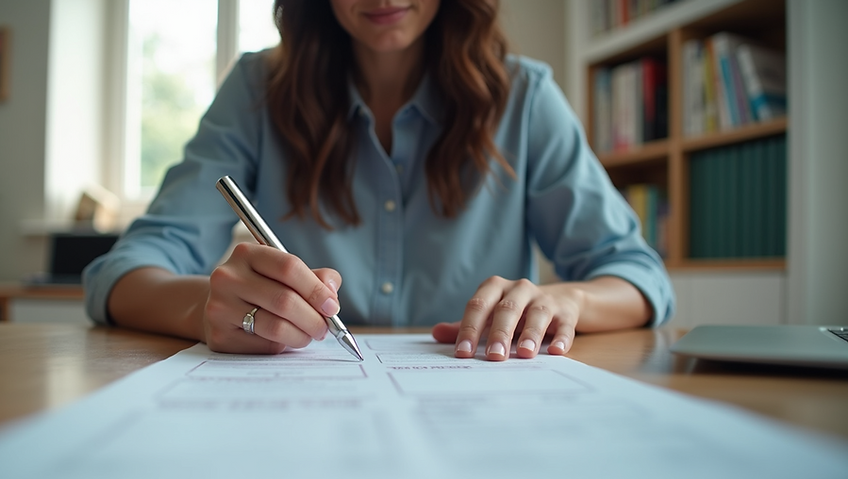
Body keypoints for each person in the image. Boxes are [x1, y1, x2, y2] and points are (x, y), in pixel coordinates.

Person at [84, 0, 675, 361]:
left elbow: (638, 275)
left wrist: (566, 298)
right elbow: (120, 273)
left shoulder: (523, 99)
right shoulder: (257, 90)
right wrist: (205, 308)